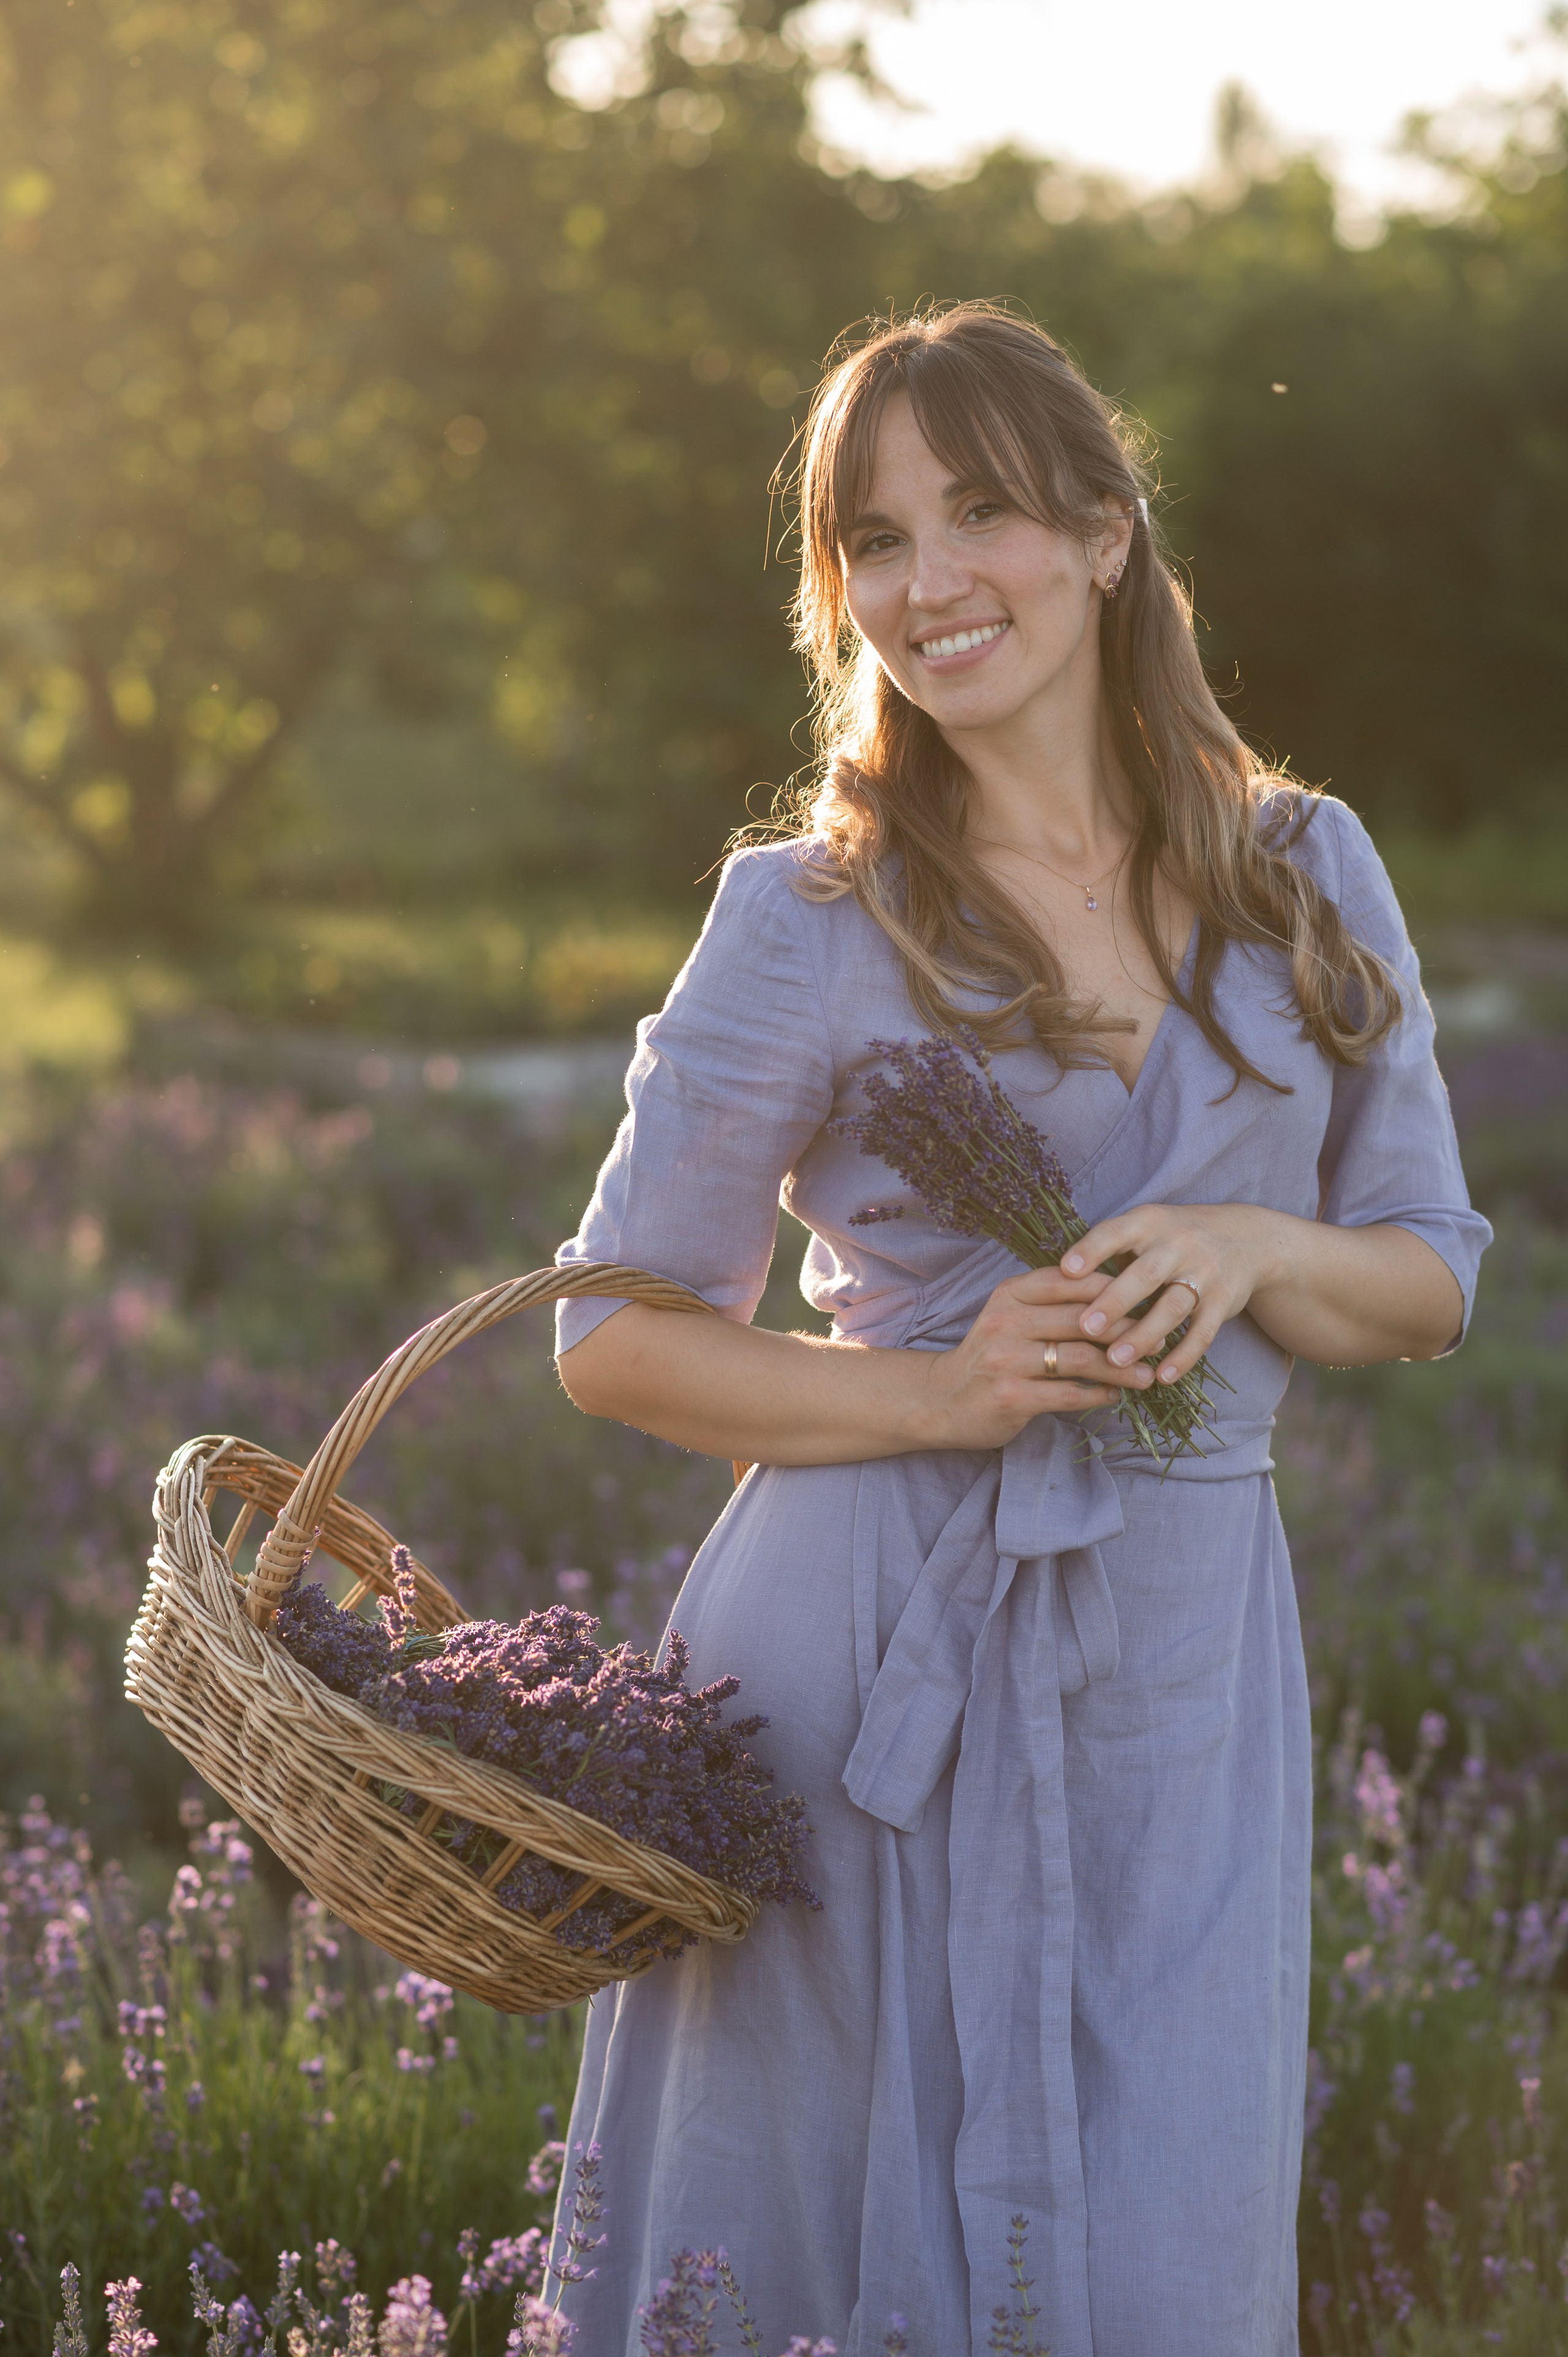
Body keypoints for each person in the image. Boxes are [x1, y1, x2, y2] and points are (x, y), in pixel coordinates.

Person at [546, 304, 1490, 2356]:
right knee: (803, 2251)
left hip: (1181, 1675)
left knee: (1163, 2252)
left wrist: (1247, 1243)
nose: (930, 580)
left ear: (1104, 532)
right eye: (875, 541)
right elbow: (609, 1335)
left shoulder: (1304, 871)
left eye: (980, 511)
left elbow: (1427, 1272)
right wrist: (936, 1389)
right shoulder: (806, 915)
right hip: (863, 1666)